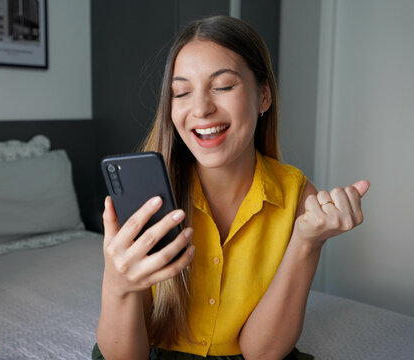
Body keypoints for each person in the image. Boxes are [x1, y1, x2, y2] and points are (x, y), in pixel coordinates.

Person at [94, 15, 369, 360]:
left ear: (264, 96)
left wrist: (307, 243)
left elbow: (261, 353)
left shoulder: (299, 198)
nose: (201, 108)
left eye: (223, 86)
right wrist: (117, 285)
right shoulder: (144, 196)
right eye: (181, 92)